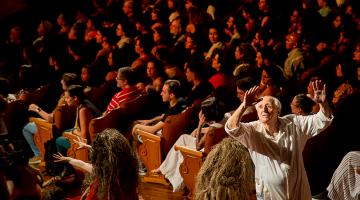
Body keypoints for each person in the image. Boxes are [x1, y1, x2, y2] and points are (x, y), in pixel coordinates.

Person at [225, 80, 333, 199]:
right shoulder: (252, 130)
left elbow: (324, 119)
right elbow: (231, 128)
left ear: (278, 111)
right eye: (260, 107)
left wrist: (323, 103)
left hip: (298, 192)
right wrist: (244, 106)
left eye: (269, 106)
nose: (264, 110)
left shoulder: (294, 123)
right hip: (269, 195)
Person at [151, 97, 226, 192]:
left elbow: (198, 146)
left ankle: (173, 177)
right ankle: (163, 168)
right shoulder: (225, 118)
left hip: (202, 155)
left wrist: (200, 125)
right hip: (214, 150)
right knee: (184, 138)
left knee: (181, 146)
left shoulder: (213, 129)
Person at [53, 128, 139, 200]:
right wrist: (88, 147)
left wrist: (69, 159)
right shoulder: (128, 171)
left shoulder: (103, 180)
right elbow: (111, 153)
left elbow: (84, 165)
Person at [23, 73, 79, 164]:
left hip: (53, 130)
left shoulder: (65, 99)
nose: (61, 81)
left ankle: (38, 155)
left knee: (26, 128)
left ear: (66, 84)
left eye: (62, 80)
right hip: (67, 126)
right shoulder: (78, 94)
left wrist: (36, 109)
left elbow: (51, 118)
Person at [55, 85, 101, 156]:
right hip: (91, 137)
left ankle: (65, 164)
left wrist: (73, 132)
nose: (65, 100)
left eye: (67, 97)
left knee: (58, 140)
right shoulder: (83, 103)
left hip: (89, 143)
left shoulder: (83, 110)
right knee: (65, 132)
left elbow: (84, 136)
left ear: (75, 98)